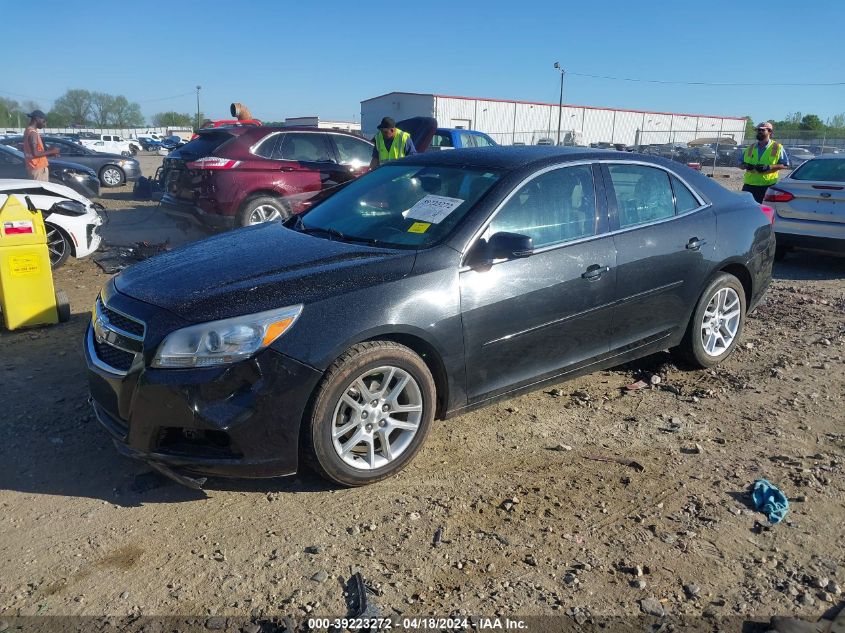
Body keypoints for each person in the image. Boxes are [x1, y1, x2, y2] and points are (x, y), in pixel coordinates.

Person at [740, 121, 789, 203]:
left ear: (770, 132)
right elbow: (740, 164)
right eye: (758, 130)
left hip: (767, 186)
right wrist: (746, 166)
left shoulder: (777, 147)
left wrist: (769, 167)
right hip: (749, 186)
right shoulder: (750, 148)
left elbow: (785, 165)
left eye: (762, 130)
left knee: (765, 210)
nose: (759, 132)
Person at [23, 110, 59, 181]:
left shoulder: (28, 130)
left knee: (35, 191)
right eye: (44, 121)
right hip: (38, 170)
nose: (44, 124)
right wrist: (52, 151)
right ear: (37, 119)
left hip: (33, 168)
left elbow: (35, 153)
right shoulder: (33, 133)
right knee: (40, 191)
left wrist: (51, 153)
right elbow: (35, 153)